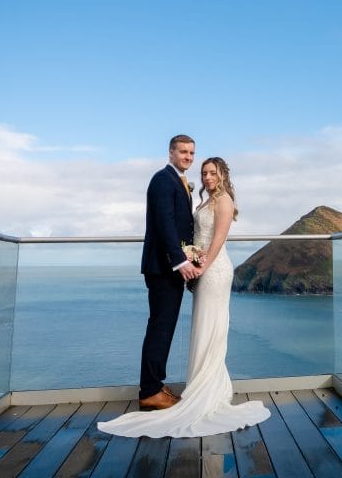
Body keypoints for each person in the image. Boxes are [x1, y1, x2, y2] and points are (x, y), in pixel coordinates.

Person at [98, 157, 270, 437]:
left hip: (214, 271)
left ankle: (209, 389)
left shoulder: (224, 200)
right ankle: (198, 384)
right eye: (204, 173)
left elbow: (217, 243)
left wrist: (201, 267)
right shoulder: (204, 200)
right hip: (201, 270)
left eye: (213, 173)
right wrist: (191, 260)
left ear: (223, 175)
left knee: (212, 327)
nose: (207, 177)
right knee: (202, 327)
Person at [134, 134, 198, 412]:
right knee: (160, 329)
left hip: (167, 266)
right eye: (182, 152)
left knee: (164, 328)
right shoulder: (163, 179)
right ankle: (149, 391)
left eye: (191, 153)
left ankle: (155, 384)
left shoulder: (179, 182)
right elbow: (165, 224)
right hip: (163, 267)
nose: (188, 157)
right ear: (171, 153)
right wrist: (180, 261)